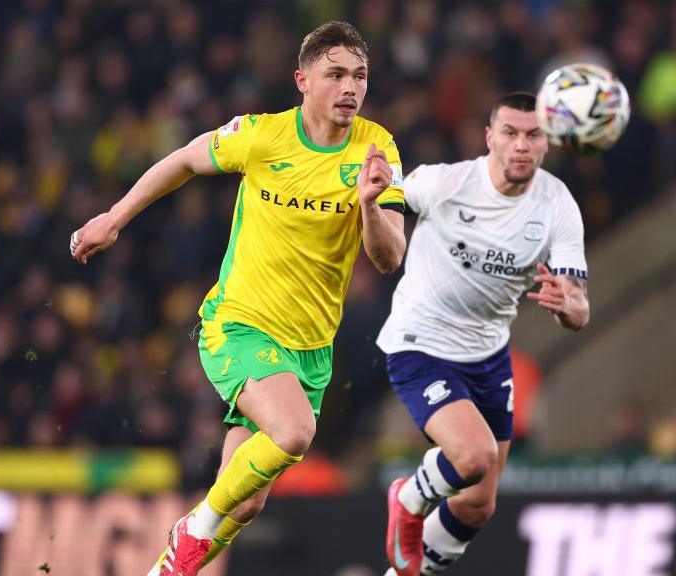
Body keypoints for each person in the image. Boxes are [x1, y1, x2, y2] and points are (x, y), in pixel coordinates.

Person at [70, 21, 407, 576]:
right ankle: (192, 530)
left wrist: (370, 205)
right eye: (336, 74)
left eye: (360, 76)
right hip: (239, 325)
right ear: (303, 80)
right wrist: (114, 218)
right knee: (295, 432)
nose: (351, 87)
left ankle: (166, 569)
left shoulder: (379, 147)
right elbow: (181, 160)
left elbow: (389, 256)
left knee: (245, 500)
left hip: (310, 350)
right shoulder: (260, 136)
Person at [377, 92, 591, 576]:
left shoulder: (557, 204)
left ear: (546, 143)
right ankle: (407, 499)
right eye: (511, 133)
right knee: (474, 456)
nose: (521, 145)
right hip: (421, 344)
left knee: (477, 505)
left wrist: (568, 304)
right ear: (490, 138)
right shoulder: (447, 182)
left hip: (489, 356)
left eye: (533, 135)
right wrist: (370, 191)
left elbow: (579, 307)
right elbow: (389, 190)